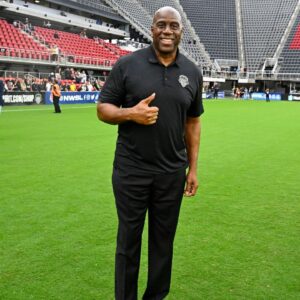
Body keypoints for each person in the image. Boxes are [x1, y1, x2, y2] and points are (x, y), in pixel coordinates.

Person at [97, 6, 204, 300]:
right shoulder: (128, 65)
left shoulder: (192, 72)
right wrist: (132, 113)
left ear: (181, 31)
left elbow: (193, 122)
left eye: (173, 26)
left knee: (163, 242)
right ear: (152, 28)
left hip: (171, 173)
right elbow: (102, 109)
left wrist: (192, 169)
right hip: (131, 170)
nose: (167, 31)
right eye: (161, 25)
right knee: (128, 242)